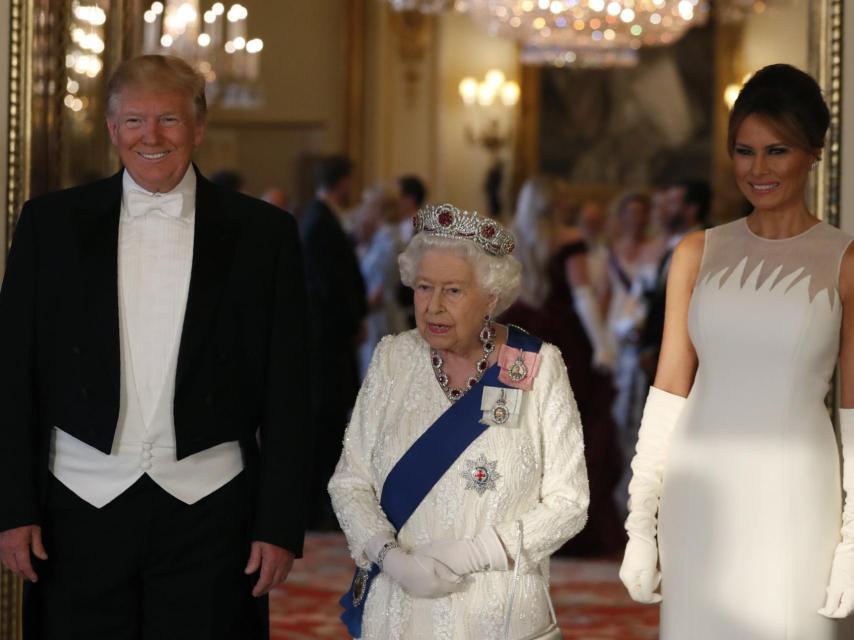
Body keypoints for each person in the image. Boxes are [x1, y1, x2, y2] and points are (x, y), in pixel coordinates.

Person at [0, 55, 310, 639]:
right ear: (113, 130)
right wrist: (13, 510)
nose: (152, 136)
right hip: (76, 504)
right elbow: (11, 377)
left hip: (213, 509)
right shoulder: (49, 225)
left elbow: (290, 390)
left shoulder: (264, 234)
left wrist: (279, 524)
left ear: (199, 128)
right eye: (136, 121)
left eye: (169, 119)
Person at [620, 63, 854, 639]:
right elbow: (670, 389)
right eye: (744, 151)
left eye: (777, 150)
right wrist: (640, 522)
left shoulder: (845, 261)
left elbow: (853, 414)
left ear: (814, 152)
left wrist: (853, 539)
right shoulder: (696, 252)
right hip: (700, 497)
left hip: (798, 495)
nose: (758, 169)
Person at [328, 203, 589, 639]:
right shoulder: (393, 358)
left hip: (498, 609)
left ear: (491, 297)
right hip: (399, 604)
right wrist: (392, 559)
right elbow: (349, 483)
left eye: (453, 291)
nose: (433, 307)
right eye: (423, 287)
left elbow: (569, 503)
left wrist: (471, 554)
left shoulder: (534, 365)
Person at [503, 176, 623, 556]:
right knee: (568, 429)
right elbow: (583, 295)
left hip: (518, 338)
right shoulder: (569, 240)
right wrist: (604, 346)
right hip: (562, 341)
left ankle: (512, 520)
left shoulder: (509, 239)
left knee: (516, 425)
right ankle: (568, 525)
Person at [300, 154, 367, 529]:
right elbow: (328, 288)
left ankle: (321, 503)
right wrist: (352, 321)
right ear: (342, 181)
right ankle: (315, 506)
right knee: (323, 422)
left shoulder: (321, 219)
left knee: (329, 420)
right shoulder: (319, 223)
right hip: (325, 344)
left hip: (331, 341)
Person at [635, 178, 709, 381]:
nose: (664, 209)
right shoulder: (671, 245)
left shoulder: (708, 246)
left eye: (673, 203)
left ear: (691, 209)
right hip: (660, 351)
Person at [356, 183, 408, 378]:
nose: (363, 210)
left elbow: (380, 287)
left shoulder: (389, 240)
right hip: (375, 314)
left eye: (367, 205)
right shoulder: (378, 238)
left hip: (381, 315)